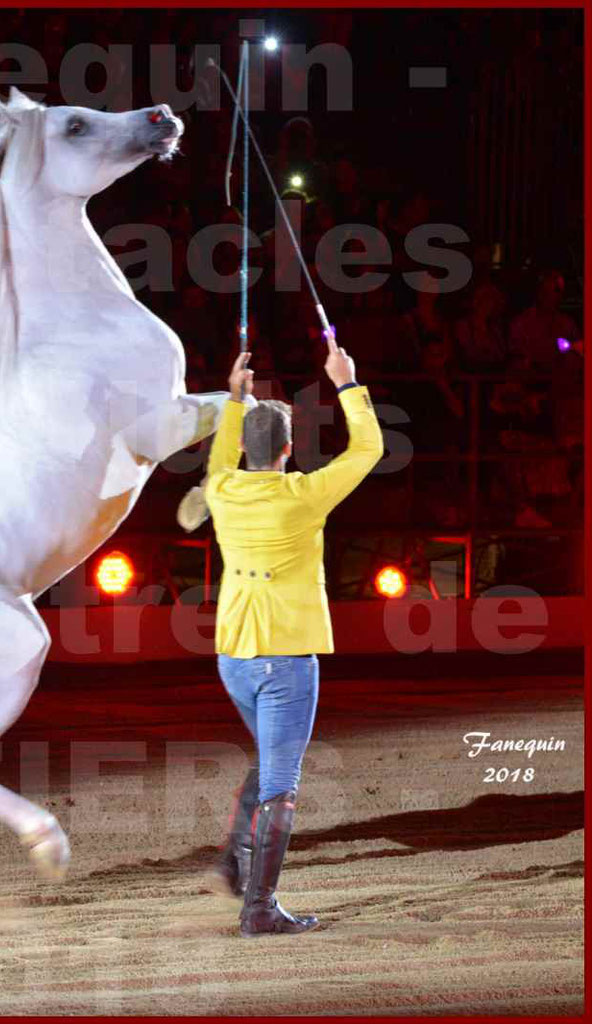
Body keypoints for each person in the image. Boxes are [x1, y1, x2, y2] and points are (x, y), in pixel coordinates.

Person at [205, 336, 383, 936]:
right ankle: (258, 908)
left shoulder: (221, 491)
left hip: (234, 656)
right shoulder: (304, 495)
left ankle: (235, 865)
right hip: (285, 662)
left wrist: (235, 400)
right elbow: (369, 449)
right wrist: (347, 381)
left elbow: (218, 459)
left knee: (271, 760)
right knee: (282, 781)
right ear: (288, 448)